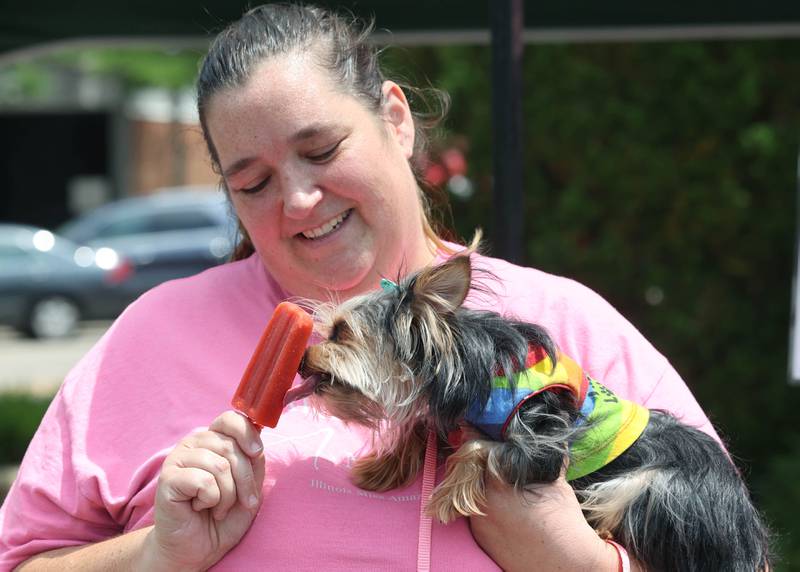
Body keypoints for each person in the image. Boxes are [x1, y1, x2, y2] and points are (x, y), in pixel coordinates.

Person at [0, 4, 718, 571]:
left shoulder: (562, 325)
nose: (300, 200)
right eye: (252, 182)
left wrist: (580, 567)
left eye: (321, 150)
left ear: (396, 120)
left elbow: (731, 549)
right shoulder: (155, 335)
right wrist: (156, 557)